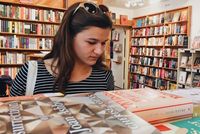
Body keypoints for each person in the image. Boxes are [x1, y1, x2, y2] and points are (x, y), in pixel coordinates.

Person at [10, 2, 114, 96]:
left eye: (103, 43)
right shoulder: (31, 73)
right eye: (91, 42)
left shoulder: (105, 76)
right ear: (69, 37)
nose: (99, 51)